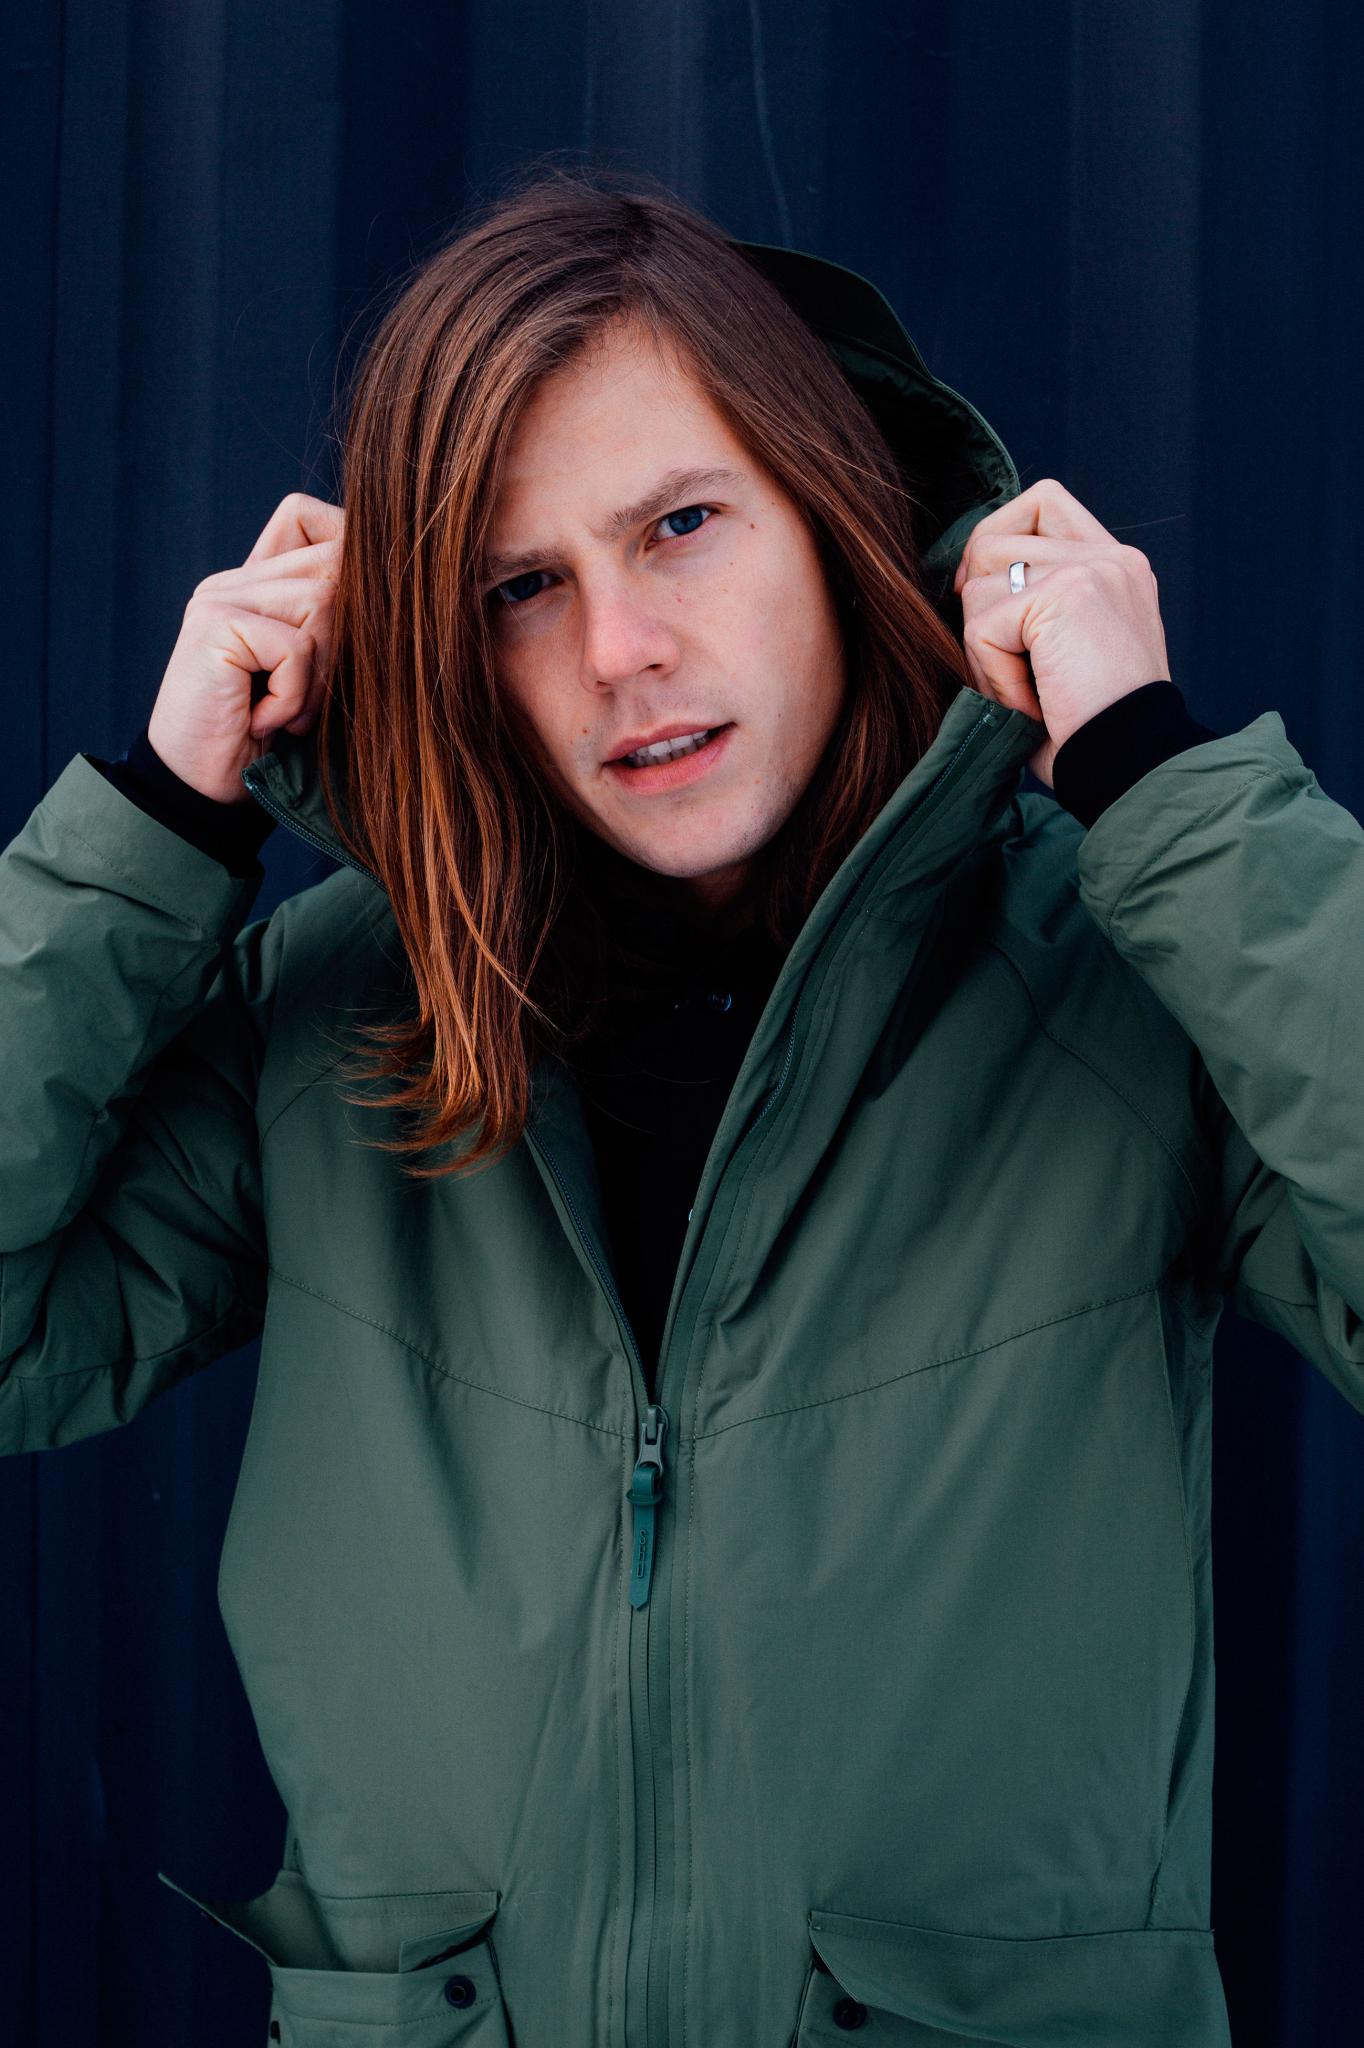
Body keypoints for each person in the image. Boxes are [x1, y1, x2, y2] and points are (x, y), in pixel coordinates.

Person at [2, 166, 1359, 2048]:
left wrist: (1153, 782)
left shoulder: (1120, 979)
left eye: (683, 525)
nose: (619, 648)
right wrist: (159, 821)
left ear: (839, 513)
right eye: (521, 586)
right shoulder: (335, 1017)